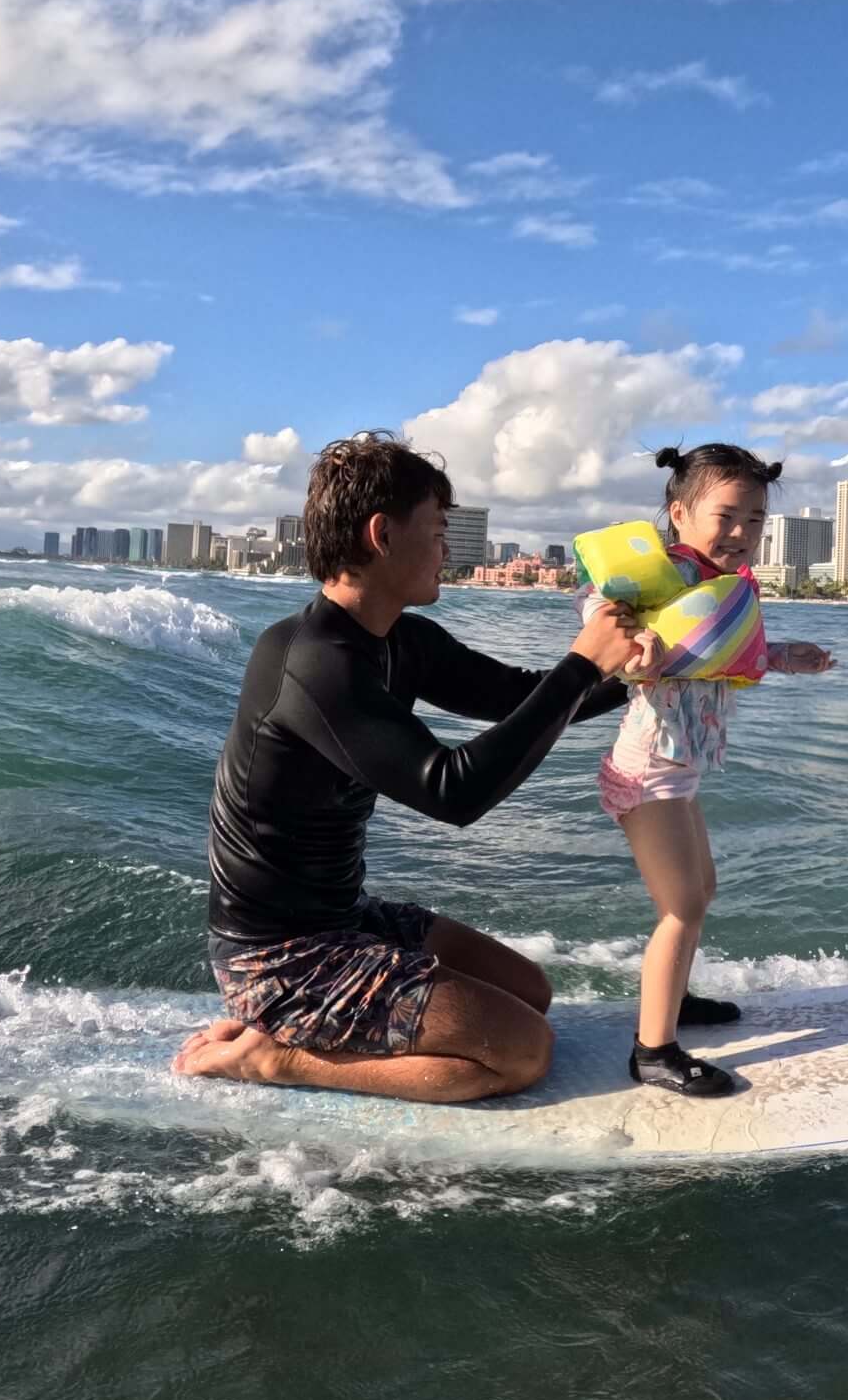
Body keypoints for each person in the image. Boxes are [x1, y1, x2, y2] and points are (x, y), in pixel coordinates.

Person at [172, 433, 646, 1104]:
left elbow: (518, 696)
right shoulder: (314, 660)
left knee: (531, 993)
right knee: (521, 1052)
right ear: (381, 535)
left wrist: (629, 676)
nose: (447, 549)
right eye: (438, 529)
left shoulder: (400, 639)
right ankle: (276, 1057)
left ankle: (290, 1030)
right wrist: (582, 664)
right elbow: (453, 791)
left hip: (344, 917)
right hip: (278, 957)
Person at [590, 443, 834, 1097]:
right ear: (679, 512)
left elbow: (728, 655)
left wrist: (788, 656)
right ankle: (654, 1050)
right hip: (648, 769)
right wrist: (634, 650)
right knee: (683, 905)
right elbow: (599, 608)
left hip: (679, 768)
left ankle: (676, 1001)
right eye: (725, 516)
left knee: (704, 889)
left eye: (755, 520)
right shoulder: (663, 575)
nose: (740, 532)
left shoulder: (720, 591)